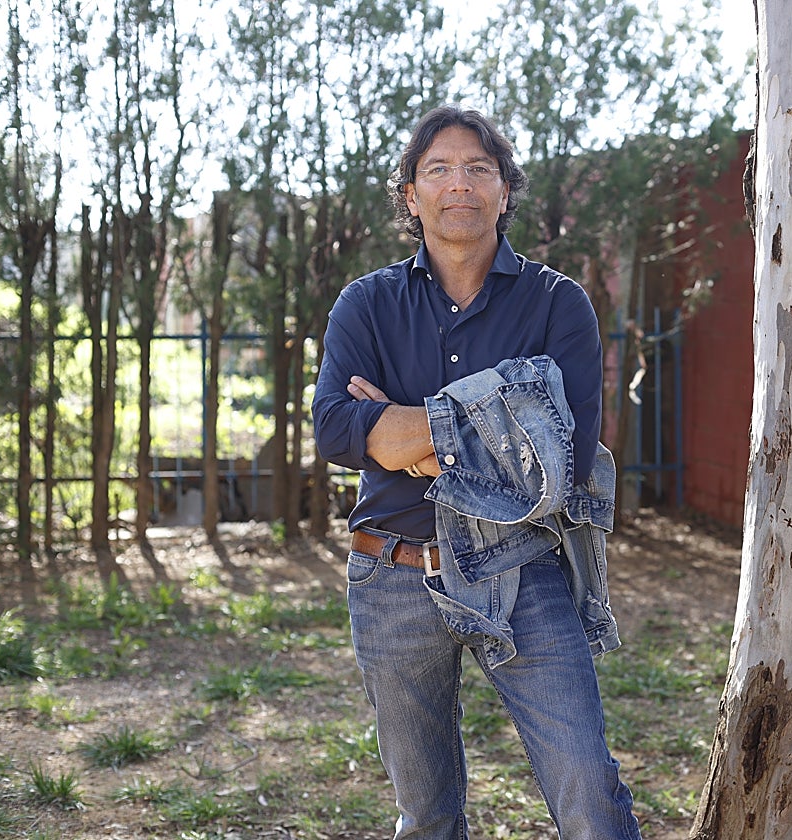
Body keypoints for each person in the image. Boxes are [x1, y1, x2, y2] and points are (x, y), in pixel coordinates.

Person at [311, 105, 642, 840]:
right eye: (438, 169)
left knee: (588, 789)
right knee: (425, 814)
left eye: (478, 168)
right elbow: (334, 427)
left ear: (504, 190)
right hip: (392, 573)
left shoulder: (559, 303)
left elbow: (566, 457)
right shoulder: (366, 303)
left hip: (527, 571)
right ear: (411, 194)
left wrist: (408, 432)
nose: (458, 183)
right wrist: (497, 426)